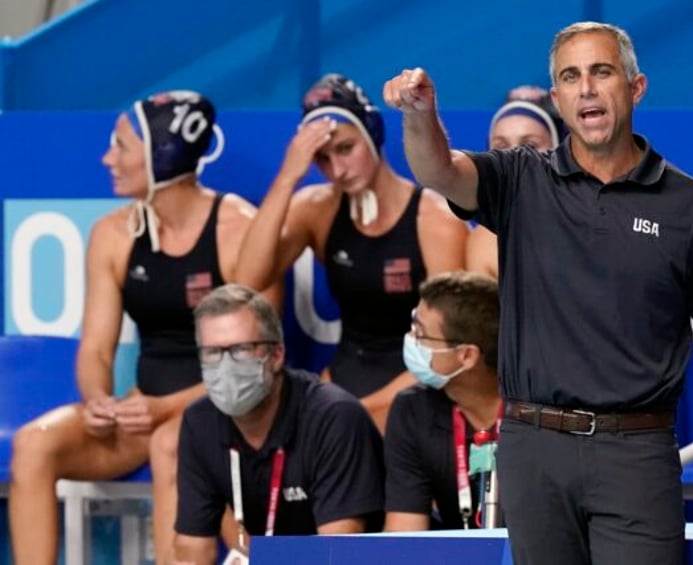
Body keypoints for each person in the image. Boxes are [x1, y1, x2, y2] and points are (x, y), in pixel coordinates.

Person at [384, 20, 693, 565]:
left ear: (635, 88)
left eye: (601, 71)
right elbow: (440, 171)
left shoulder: (687, 205)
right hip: (533, 448)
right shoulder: (519, 180)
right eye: (570, 76)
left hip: (636, 454)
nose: (586, 87)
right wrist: (420, 118)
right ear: (559, 99)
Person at [8, 90, 281, 565]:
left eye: (120, 145)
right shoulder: (113, 234)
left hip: (227, 416)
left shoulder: (240, 230)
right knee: (33, 444)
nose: (107, 157)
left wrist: (164, 409)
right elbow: (96, 349)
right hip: (144, 415)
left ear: (162, 154)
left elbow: (257, 367)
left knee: (172, 440)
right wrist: (98, 400)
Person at [234, 73, 467, 433]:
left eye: (345, 149)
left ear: (372, 134)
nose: (337, 170)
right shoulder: (318, 208)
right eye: (322, 159)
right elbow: (247, 281)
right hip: (346, 379)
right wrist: (287, 176)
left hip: (416, 384)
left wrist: (359, 411)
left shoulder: (433, 220)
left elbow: (451, 344)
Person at [173, 284, 385, 564]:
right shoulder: (199, 423)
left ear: (276, 355)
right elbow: (191, 552)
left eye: (242, 349)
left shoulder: (333, 417)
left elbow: (338, 555)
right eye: (212, 352)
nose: (226, 366)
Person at [383, 271, 501, 531]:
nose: (411, 340)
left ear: (467, 356)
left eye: (421, 334)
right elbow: (404, 536)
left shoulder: (534, 413)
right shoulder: (412, 411)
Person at [467, 85, 567, 278]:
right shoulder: (484, 241)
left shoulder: (592, 221)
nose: (513, 158)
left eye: (529, 146)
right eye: (501, 146)